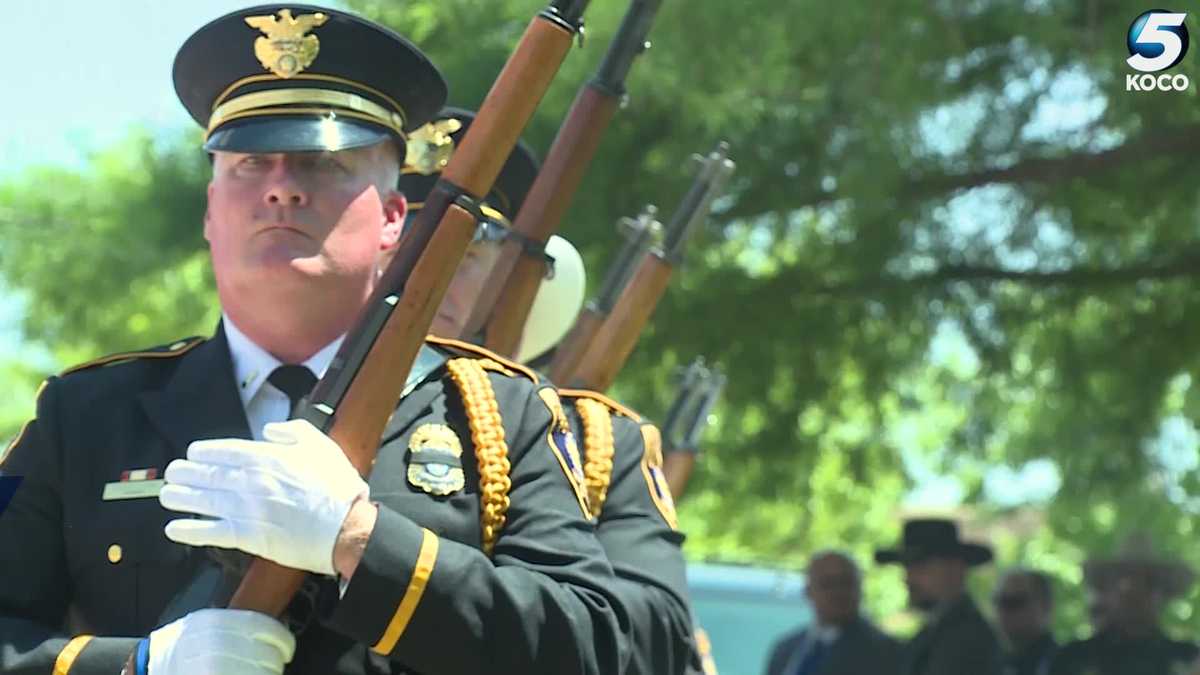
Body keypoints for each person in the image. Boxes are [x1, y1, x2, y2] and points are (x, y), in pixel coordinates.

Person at [0, 6, 629, 674]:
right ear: (211, 212)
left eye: (320, 163)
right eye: (249, 163)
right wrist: (140, 664)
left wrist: (360, 540)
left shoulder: (503, 419)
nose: (281, 189)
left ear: (394, 218)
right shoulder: (84, 414)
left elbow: (593, 646)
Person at [399, 107, 702, 675]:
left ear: (507, 274)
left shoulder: (598, 445)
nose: (428, 272)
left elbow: (657, 635)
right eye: (405, 245)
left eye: (463, 256)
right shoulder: (298, 387)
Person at [1047, 533, 1198, 675]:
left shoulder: (1188, 659)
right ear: (1106, 589)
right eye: (1123, 580)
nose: (1135, 590)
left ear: (1163, 593)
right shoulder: (1074, 658)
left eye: (1148, 582)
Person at [875, 517, 1003, 675]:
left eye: (920, 566)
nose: (908, 578)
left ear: (956, 568)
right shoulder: (936, 630)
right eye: (907, 567)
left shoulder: (967, 637)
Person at [763, 550, 901, 675]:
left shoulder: (886, 652)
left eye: (846, 583)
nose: (837, 592)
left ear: (860, 588)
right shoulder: (786, 649)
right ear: (808, 591)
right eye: (827, 583)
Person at [992, 568, 1057, 675]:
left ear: (1044, 606)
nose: (1003, 611)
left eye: (1015, 602)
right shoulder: (989, 663)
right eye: (999, 601)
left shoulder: (1065, 665)